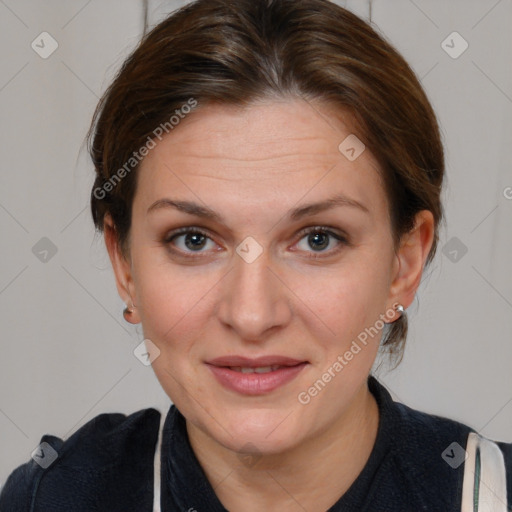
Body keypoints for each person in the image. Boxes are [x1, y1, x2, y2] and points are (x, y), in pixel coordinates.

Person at [1, 0, 510, 510]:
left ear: (404, 263)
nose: (251, 315)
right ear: (125, 265)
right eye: (193, 240)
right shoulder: (54, 497)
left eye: (318, 239)